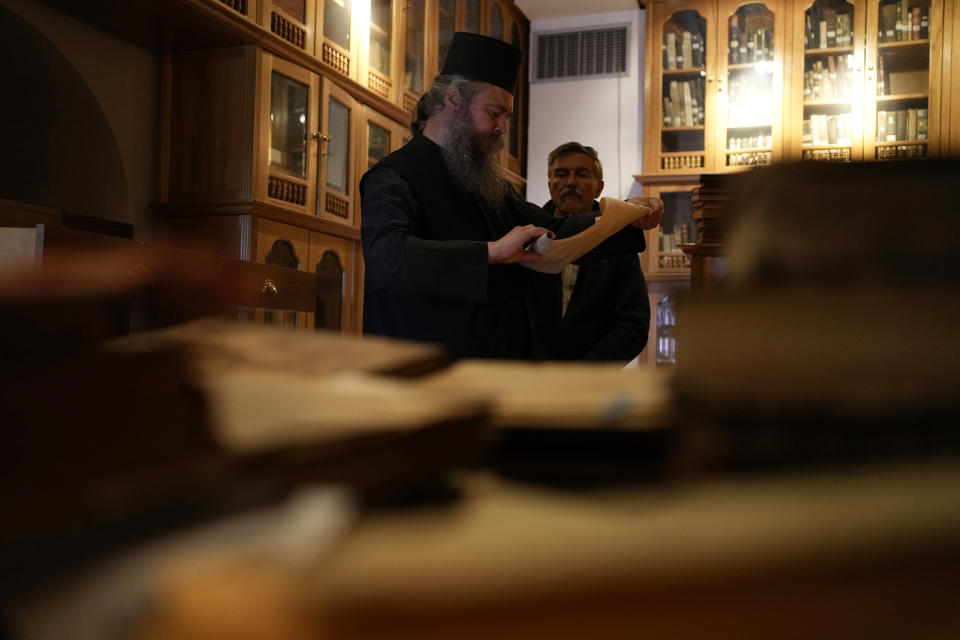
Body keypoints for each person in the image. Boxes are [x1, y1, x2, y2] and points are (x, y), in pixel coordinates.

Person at [360, 32, 663, 360]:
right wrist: (490, 253)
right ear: (453, 99)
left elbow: (555, 232)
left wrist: (627, 216)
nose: (503, 128)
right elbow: (388, 259)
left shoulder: (489, 186)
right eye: (494, 112)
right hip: (421, 378)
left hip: (489, 377)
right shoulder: (393, 176)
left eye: (507, 117)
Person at [537, 142, 650, 362]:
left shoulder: (618, 241)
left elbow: (633, 325)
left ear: (599, 187)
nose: (570, 182)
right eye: (561, 174)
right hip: (530, 379)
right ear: (550, 185)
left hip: (594, 381)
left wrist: (585, 371)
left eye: (581, 174)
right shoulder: (529, 236)